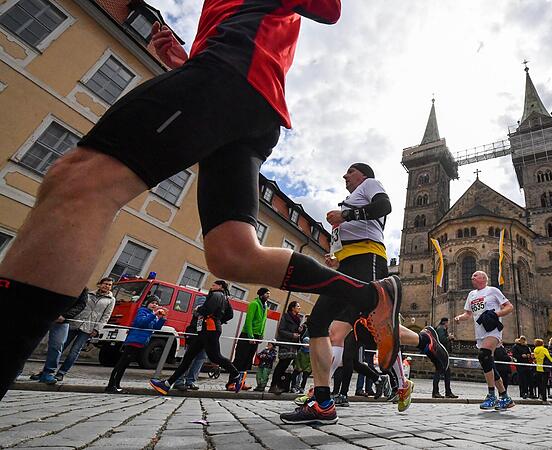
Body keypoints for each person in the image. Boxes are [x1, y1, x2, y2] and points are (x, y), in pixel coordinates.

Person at [0, 1, 403, 404]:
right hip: (241, 93)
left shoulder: (370, 186)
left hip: (232, 76)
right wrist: (187, 58)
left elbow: (329, 9)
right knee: (234, 255)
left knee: (80, 182)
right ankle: (373, 297)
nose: (345, 177)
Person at [281, 163, 446, 424]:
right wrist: (337, 258)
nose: (344, 176)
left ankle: (420, 348)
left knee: (376, 323)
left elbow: (384, 206)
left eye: (350, 171)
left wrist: (346, 216)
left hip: (368, 260)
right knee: (322, 324)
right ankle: (322, 399)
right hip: (347, 265)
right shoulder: (350, 199)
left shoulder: (370, 185)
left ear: (363, 175)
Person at [150, 281, 243, 395]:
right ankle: (167, 384)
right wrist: (219, 320)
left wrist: (198, 310)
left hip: (209, 329)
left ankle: (236, 375)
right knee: (188, 357)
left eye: (214, 285)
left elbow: (208, 309)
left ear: (220, 286)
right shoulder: (225, 298)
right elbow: (230, 315)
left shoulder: (216, 295)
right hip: (205, 330)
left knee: (215, 356)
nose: (212, 286)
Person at [454, 271, 515, 411]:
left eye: (475, 275)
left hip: (493, 329)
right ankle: (505, 396)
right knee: (488, 362)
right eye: (472, 276)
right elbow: (468, 314)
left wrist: (495, 314)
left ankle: (491, 395)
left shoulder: (492, 290)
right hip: (480, 332)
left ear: (483, 278)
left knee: (483, 355)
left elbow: (509, 307)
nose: (472, 277)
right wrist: (459, 318)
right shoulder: (471, 294)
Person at [106, 295, 166, 393]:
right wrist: (154, 315)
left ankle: (116, 385)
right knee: (121, 364)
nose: (154, 305)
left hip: (140, 342)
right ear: (147, 303)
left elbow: (155, 327)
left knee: (125, 364)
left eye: (156, 304)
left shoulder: (152, 314)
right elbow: (141, 323)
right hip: (134, 341)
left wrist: (162, 319)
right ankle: (111, 386)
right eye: (152, 303)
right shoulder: (142, 311)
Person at [30, 289, 88, 384]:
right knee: (30, 341)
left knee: (57, 346)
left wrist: (65, 316)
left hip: (62, 321)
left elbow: (81, 304)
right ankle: (17, 370)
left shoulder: (82, 287)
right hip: (43, 315)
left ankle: (48, 373)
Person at [231, 287, 271, 391]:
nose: (268, 296)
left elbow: (264, 321)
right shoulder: (254, 304)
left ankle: (241, 382)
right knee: (239, 359)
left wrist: (261, 334)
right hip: (247, 335)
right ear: (261, 294)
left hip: (256, 335)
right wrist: (250, 336)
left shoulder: (265, 306)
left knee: (247, 361)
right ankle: (231, 383)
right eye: (267, 293)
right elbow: (248, 320)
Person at [173, 296, 208, 391]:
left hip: (206, 336)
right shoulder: (204, 301)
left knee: (200, 358)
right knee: (190, 358)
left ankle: (190, 381)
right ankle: (179, 381)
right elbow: (197, 312)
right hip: (195, 335)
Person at [270, 301, 303, 394]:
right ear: (292, 308)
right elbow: (281, 330)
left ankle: (280, 385)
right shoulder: (286, 316)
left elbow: (295, 331)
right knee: (281, 365)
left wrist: (299, 330)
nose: (299, 308)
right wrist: (292, 335)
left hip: (293, 345)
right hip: (285, 344)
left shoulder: (297, 319)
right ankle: (273, 385)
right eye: (298, 306)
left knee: (285, 366)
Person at [432, 318, 457, 398]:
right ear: (445, 323)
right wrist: (449, 337)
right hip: (441, 354)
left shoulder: (442, 329)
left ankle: (448, 392)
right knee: (439, 371)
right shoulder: (440, 329)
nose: (448, 324)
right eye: (447, 322)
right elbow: (441, 340)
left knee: (447, 373)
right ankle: (435, 392)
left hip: (443, 354)